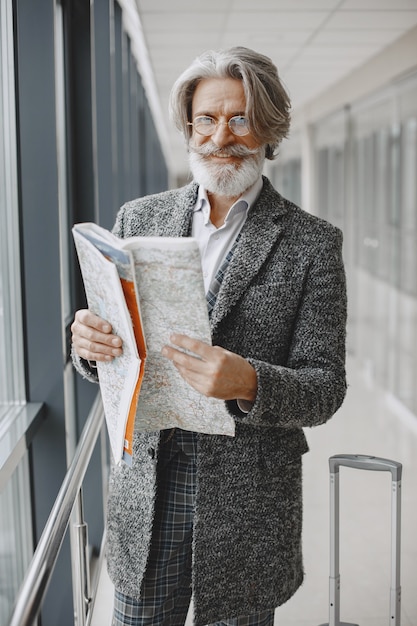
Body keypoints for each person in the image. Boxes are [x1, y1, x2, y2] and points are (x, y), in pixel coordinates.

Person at [71, 46, 347, 626]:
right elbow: (114, 344)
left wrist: (249, 381)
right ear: (189, 126)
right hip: (150, 484)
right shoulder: (137, 218)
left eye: (240, 118)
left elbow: (326, 388)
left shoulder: (311, 243)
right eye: (207, 118)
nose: (222, 136)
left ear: (269, 128)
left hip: (249, 496)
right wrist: (88, 346)